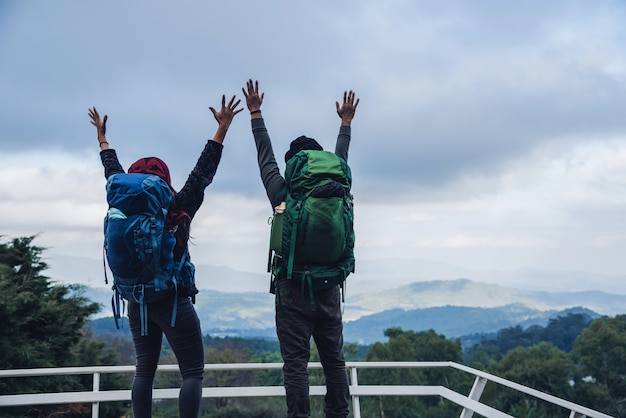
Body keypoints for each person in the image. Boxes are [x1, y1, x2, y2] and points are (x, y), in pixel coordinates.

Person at [88, 94, 242, 418]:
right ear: (164, 181)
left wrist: (102, 139)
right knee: (193, 372)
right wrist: (222, 129)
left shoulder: (122, 201)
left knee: (144, 372)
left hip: (136, 300)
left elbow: (111, 170)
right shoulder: (178, 206)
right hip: (172, 302)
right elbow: (203, 173)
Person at [242, 79, 359, 418]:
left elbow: (265, 159)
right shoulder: (338, 187)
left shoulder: (283, 193)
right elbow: (342, 156)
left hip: (292, 287)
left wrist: (256, 113)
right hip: (329, 287)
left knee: (296, 364)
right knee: (334, 361)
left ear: (294, 166)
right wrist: (346, 124)